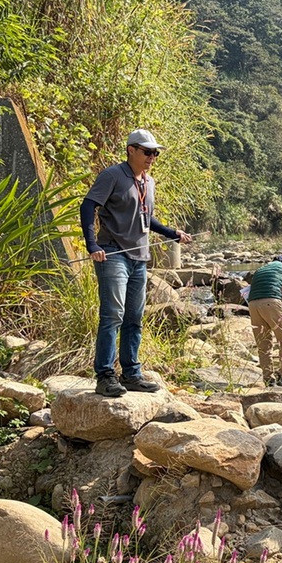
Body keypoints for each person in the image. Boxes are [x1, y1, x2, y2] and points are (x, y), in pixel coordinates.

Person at [81, 129, 193, 397]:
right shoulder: (112, 175)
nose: (152, 157)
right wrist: (92, 244)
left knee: (134, 317)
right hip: (113, 254)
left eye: (155, 153)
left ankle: (131, 374)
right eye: (147, 152)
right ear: (131, 150)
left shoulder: (149, 182)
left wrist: (171, 233)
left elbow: (146, 217)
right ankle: (105, 376)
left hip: (139, 258)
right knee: (113, 315)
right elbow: (88, 205)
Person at [245, 254, 282, 388]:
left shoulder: (260, 269)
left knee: (263, 343)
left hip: (252, 304)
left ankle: (268, 379)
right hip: (272, 301)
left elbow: (250, 290)